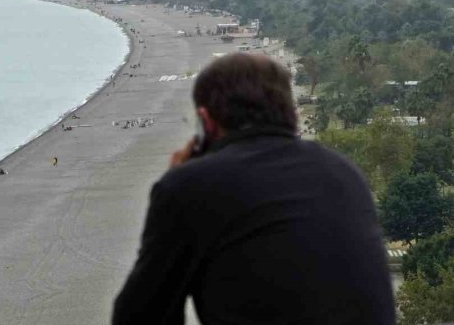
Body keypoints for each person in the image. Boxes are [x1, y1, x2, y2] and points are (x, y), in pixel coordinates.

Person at [113, 53, 395, 325]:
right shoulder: (344, 172)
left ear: (206, 121)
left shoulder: (190, 187)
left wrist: (177, 183)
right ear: (290, 113)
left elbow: (140, 314)